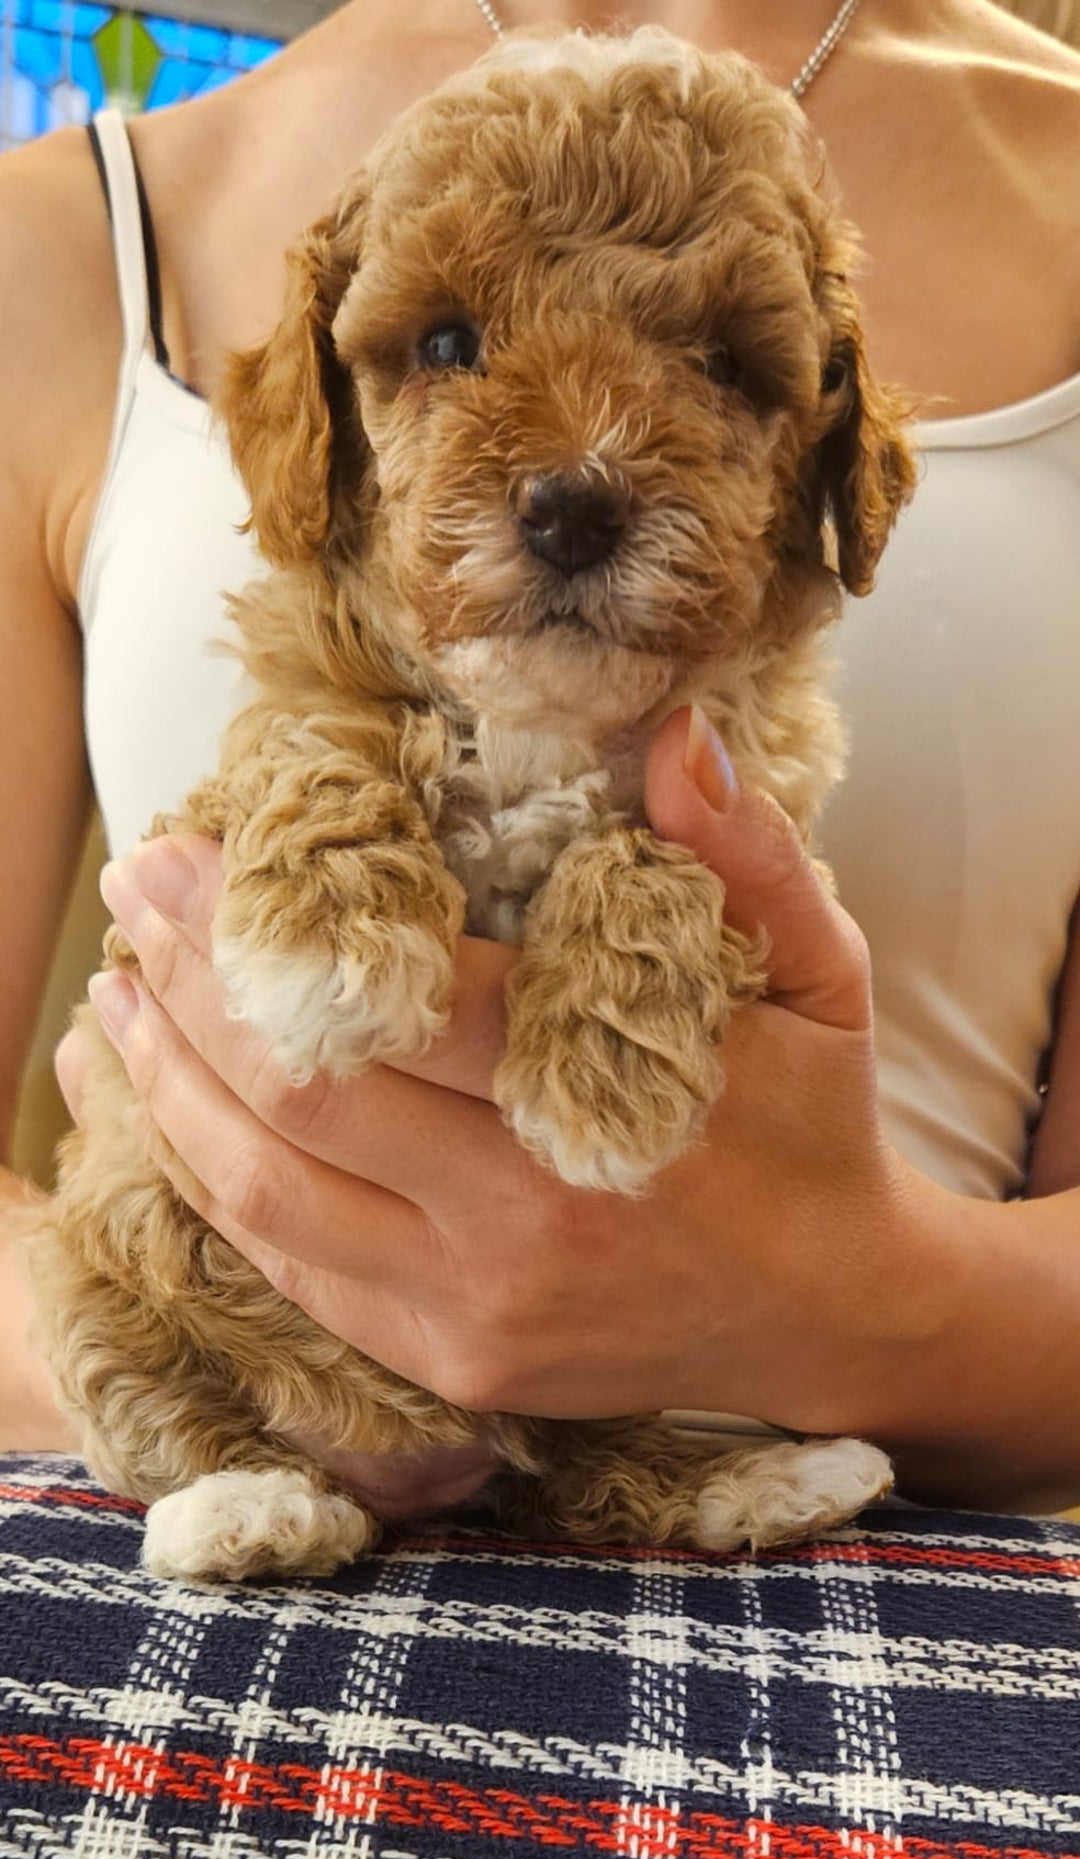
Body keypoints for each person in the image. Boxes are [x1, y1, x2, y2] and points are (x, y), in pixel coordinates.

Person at [1, 0, 1078, 1512]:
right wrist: (206, 1379)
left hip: (857, 1577)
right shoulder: (60, 223)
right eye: (446, 346)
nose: (579, 473)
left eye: (720, 362)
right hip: (207, 1527)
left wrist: (849, 1297)